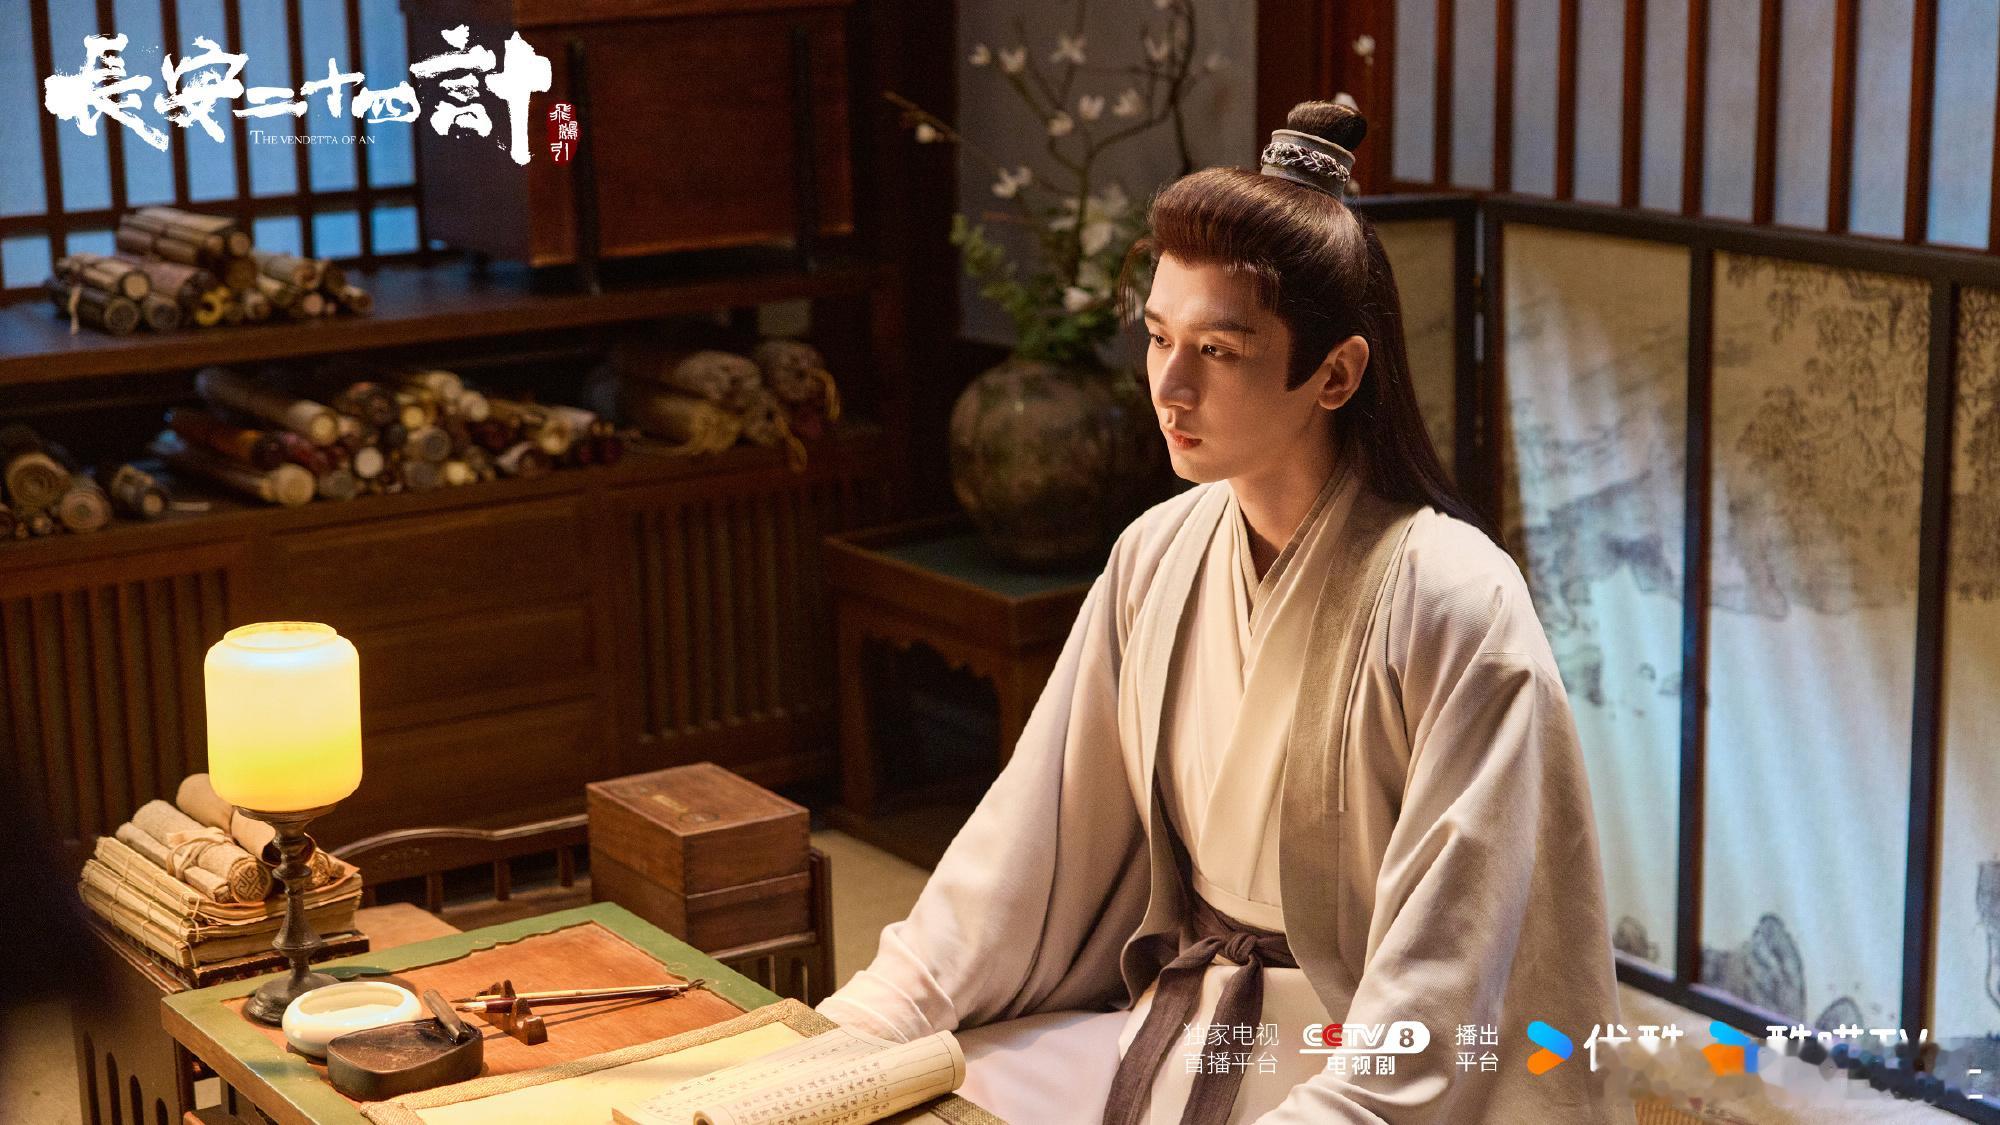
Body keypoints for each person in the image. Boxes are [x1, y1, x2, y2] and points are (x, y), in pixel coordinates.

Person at [816, 100, 1633, 1124]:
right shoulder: (1155, 555)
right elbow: (1023, 850)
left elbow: (1443, 978)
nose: (1168, 385)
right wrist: (870, 1021)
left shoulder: (1455, 601)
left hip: (1354, 1055)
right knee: (927, 1088)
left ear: (1335, 373)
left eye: (1218, 350)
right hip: (1183, 1014)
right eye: (1158, 336)